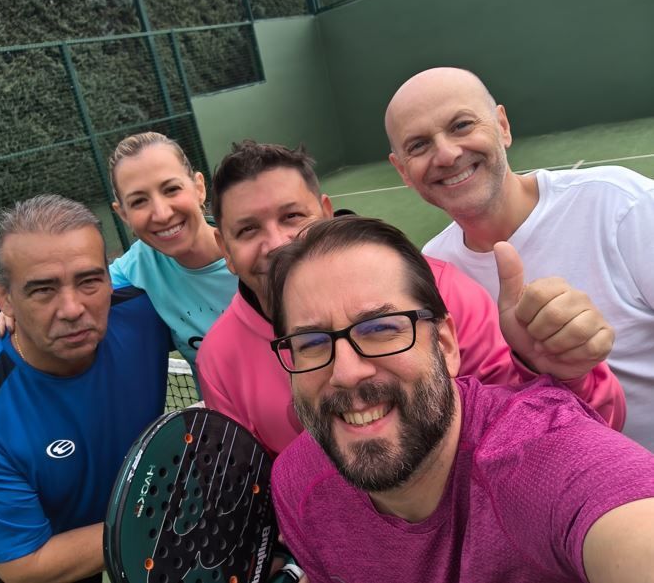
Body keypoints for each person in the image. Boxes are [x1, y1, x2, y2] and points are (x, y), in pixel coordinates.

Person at [268, 215, 654, 583]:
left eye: (382, 328)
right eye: (311, 343)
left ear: (446, 344)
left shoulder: (540, 457)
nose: (347, 373)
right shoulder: (297, 481)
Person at [196, 140, 623, 457]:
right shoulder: (218, 358)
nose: (277, 243)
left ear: (326, 214)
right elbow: (254, 479)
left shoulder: (444, 291)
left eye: (292, 216)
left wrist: (562, 373)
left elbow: (572, 432)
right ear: (224, 247)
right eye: (248, 230)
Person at [385, 66, 654, 450]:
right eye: (418, 145)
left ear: (502, 126)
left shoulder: (620, 204)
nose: (446, 154)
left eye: (461, 125)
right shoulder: (433, 271)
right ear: (403, 172)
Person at [0, 195, 173, 583]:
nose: (73, 308)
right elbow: (26, 565)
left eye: (89, 280)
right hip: (57, 558)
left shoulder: (144, 313)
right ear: (4, 296)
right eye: (43, 290)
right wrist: (160, 515)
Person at [0, 132, 237, 376]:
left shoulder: (254, 249)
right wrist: (16, 303)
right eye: (139, 201)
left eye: (171, 189)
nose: (161, 213)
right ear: (123, 214)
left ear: (199, 188)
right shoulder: (134, 269)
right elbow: (79, 287)